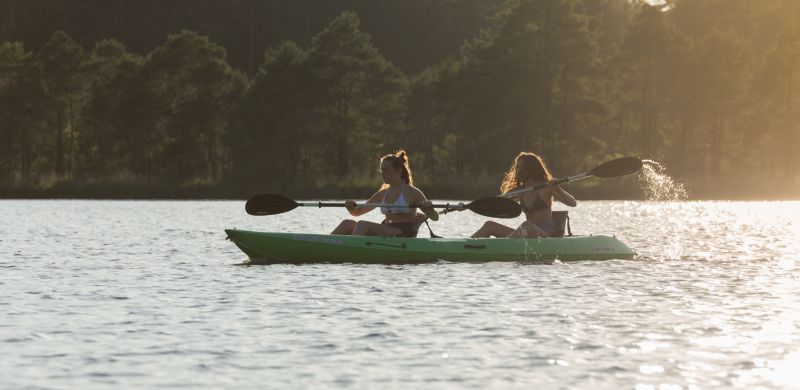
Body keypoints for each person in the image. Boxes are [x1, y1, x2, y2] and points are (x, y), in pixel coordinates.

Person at [331, 150, 438, 237]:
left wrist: (429, 209)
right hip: (386, 230)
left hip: (403, 233)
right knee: (347, 224)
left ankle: (349, 251)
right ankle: (326, 245)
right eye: (381, 170)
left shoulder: (413, 192)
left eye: (386, 170)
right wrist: (350, 208)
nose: (382, 174)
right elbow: (357, 212)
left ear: (398, 170)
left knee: (362, 225)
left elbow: (435, 217)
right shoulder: (382, 194)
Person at [471, 152, 576, 238]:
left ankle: (504, 247)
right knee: (489, 225)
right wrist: (468, 206)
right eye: (518, 167)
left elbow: (572, 203)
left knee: (526, 226)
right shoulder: (520, 190)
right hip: (527, 233)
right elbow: (496, 202)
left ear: (531, 168)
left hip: (546, 234)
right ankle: (466, 247)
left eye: (522, 167)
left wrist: (558, 189)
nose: (518, 170)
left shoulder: (546, 187)